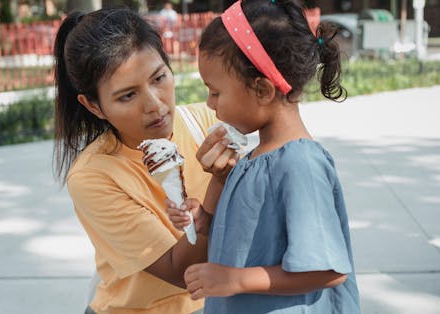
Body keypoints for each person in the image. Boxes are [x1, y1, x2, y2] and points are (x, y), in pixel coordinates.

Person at [167, 0, 360, 313]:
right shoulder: (253, 158)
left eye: (215, 92)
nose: (210, 103)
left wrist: (237, 280)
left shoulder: (300, 164)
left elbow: (329, 269)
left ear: (262, 90)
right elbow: (251, 238)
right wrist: (205, 219)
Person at [52, 8, 237, 314]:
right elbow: (182, 274)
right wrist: (219, 183)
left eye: (159, 78)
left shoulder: (205, 123)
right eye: (127, 96)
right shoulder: (93, 176)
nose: (154, 104)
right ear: (93, 106)